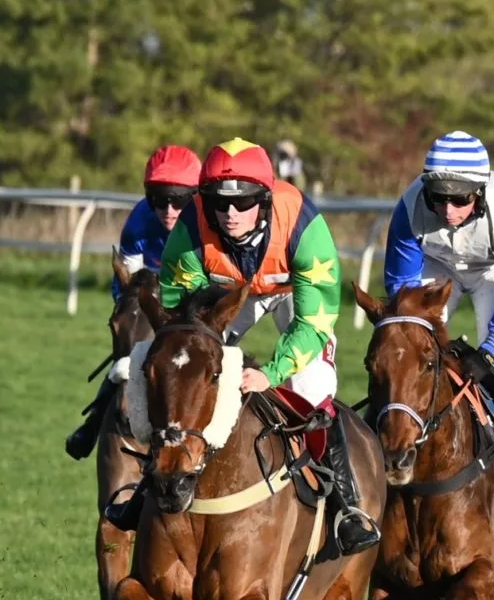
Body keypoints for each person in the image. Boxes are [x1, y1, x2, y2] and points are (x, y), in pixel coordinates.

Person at [157, 138, 378, 555]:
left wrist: (271, 374)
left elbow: (314, 322)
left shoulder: (304, 227)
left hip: (294, 294)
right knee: (182, 372)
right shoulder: (190, 228)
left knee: (313, 385)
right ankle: (148, 486)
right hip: (224, 296)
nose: (230, 213)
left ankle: (346, 505)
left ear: (264, 200)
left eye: (243, 203)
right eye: (220, 203)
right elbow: (178, 314)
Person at [383, 130, 494, 505]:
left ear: (479, 193)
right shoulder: (410, 206)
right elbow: (401, 289)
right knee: (403, 352)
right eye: (438, 198)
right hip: (436, 267)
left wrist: (490, 348)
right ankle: (377, 449)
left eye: (460, 199)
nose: (448, 210)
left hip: (489, 272)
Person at [66, 143, 202, 459]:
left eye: (179, 200)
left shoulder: (205, 224)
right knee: (126, 361)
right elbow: (127, 287)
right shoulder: (138, 223)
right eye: (159, 199)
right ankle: (93, 424)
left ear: (195, 198)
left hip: (194, 295)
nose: (169, 209)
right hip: (151, 290)